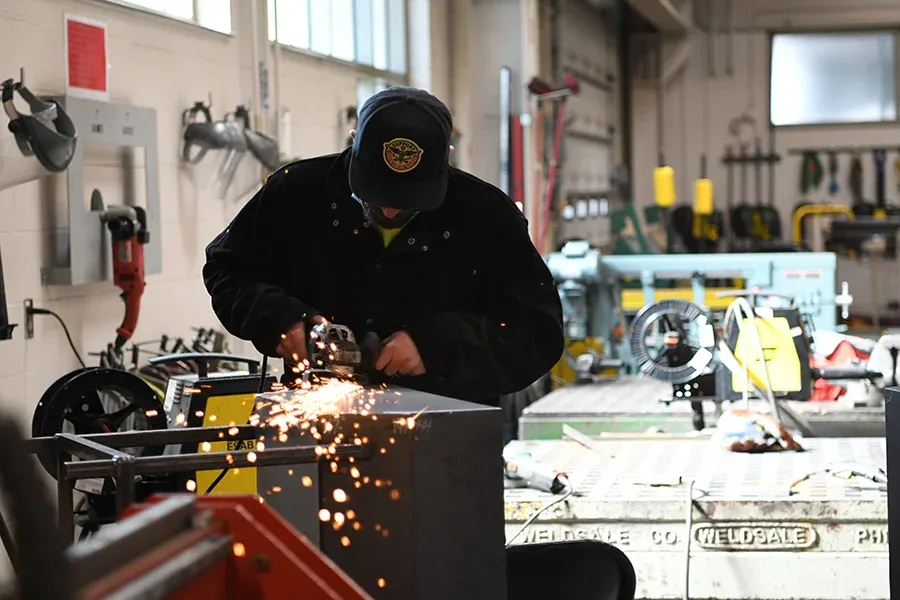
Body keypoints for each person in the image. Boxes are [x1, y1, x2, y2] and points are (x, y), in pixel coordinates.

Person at [203, 86, 564, 405]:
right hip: (315, 416)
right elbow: (227, 270)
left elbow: (536, 333)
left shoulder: (487, 216)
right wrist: (280, 320)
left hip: (448, 434)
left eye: (408, 198)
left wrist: (438, 348)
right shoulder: (294, 193)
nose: (390, 209)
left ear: (447, 157)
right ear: (353, 140)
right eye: (377, 191)